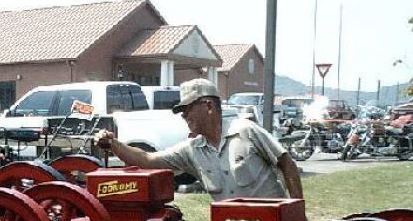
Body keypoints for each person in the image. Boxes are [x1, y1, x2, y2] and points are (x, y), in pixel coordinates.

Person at [94, 78, 303, 201]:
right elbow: (147, 160)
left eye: (187, 109)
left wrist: (296, 212)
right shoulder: (192, 150)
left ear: (209, 106)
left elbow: (287, 164)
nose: (184, 116)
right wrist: (113, 144)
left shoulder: (246, 130)